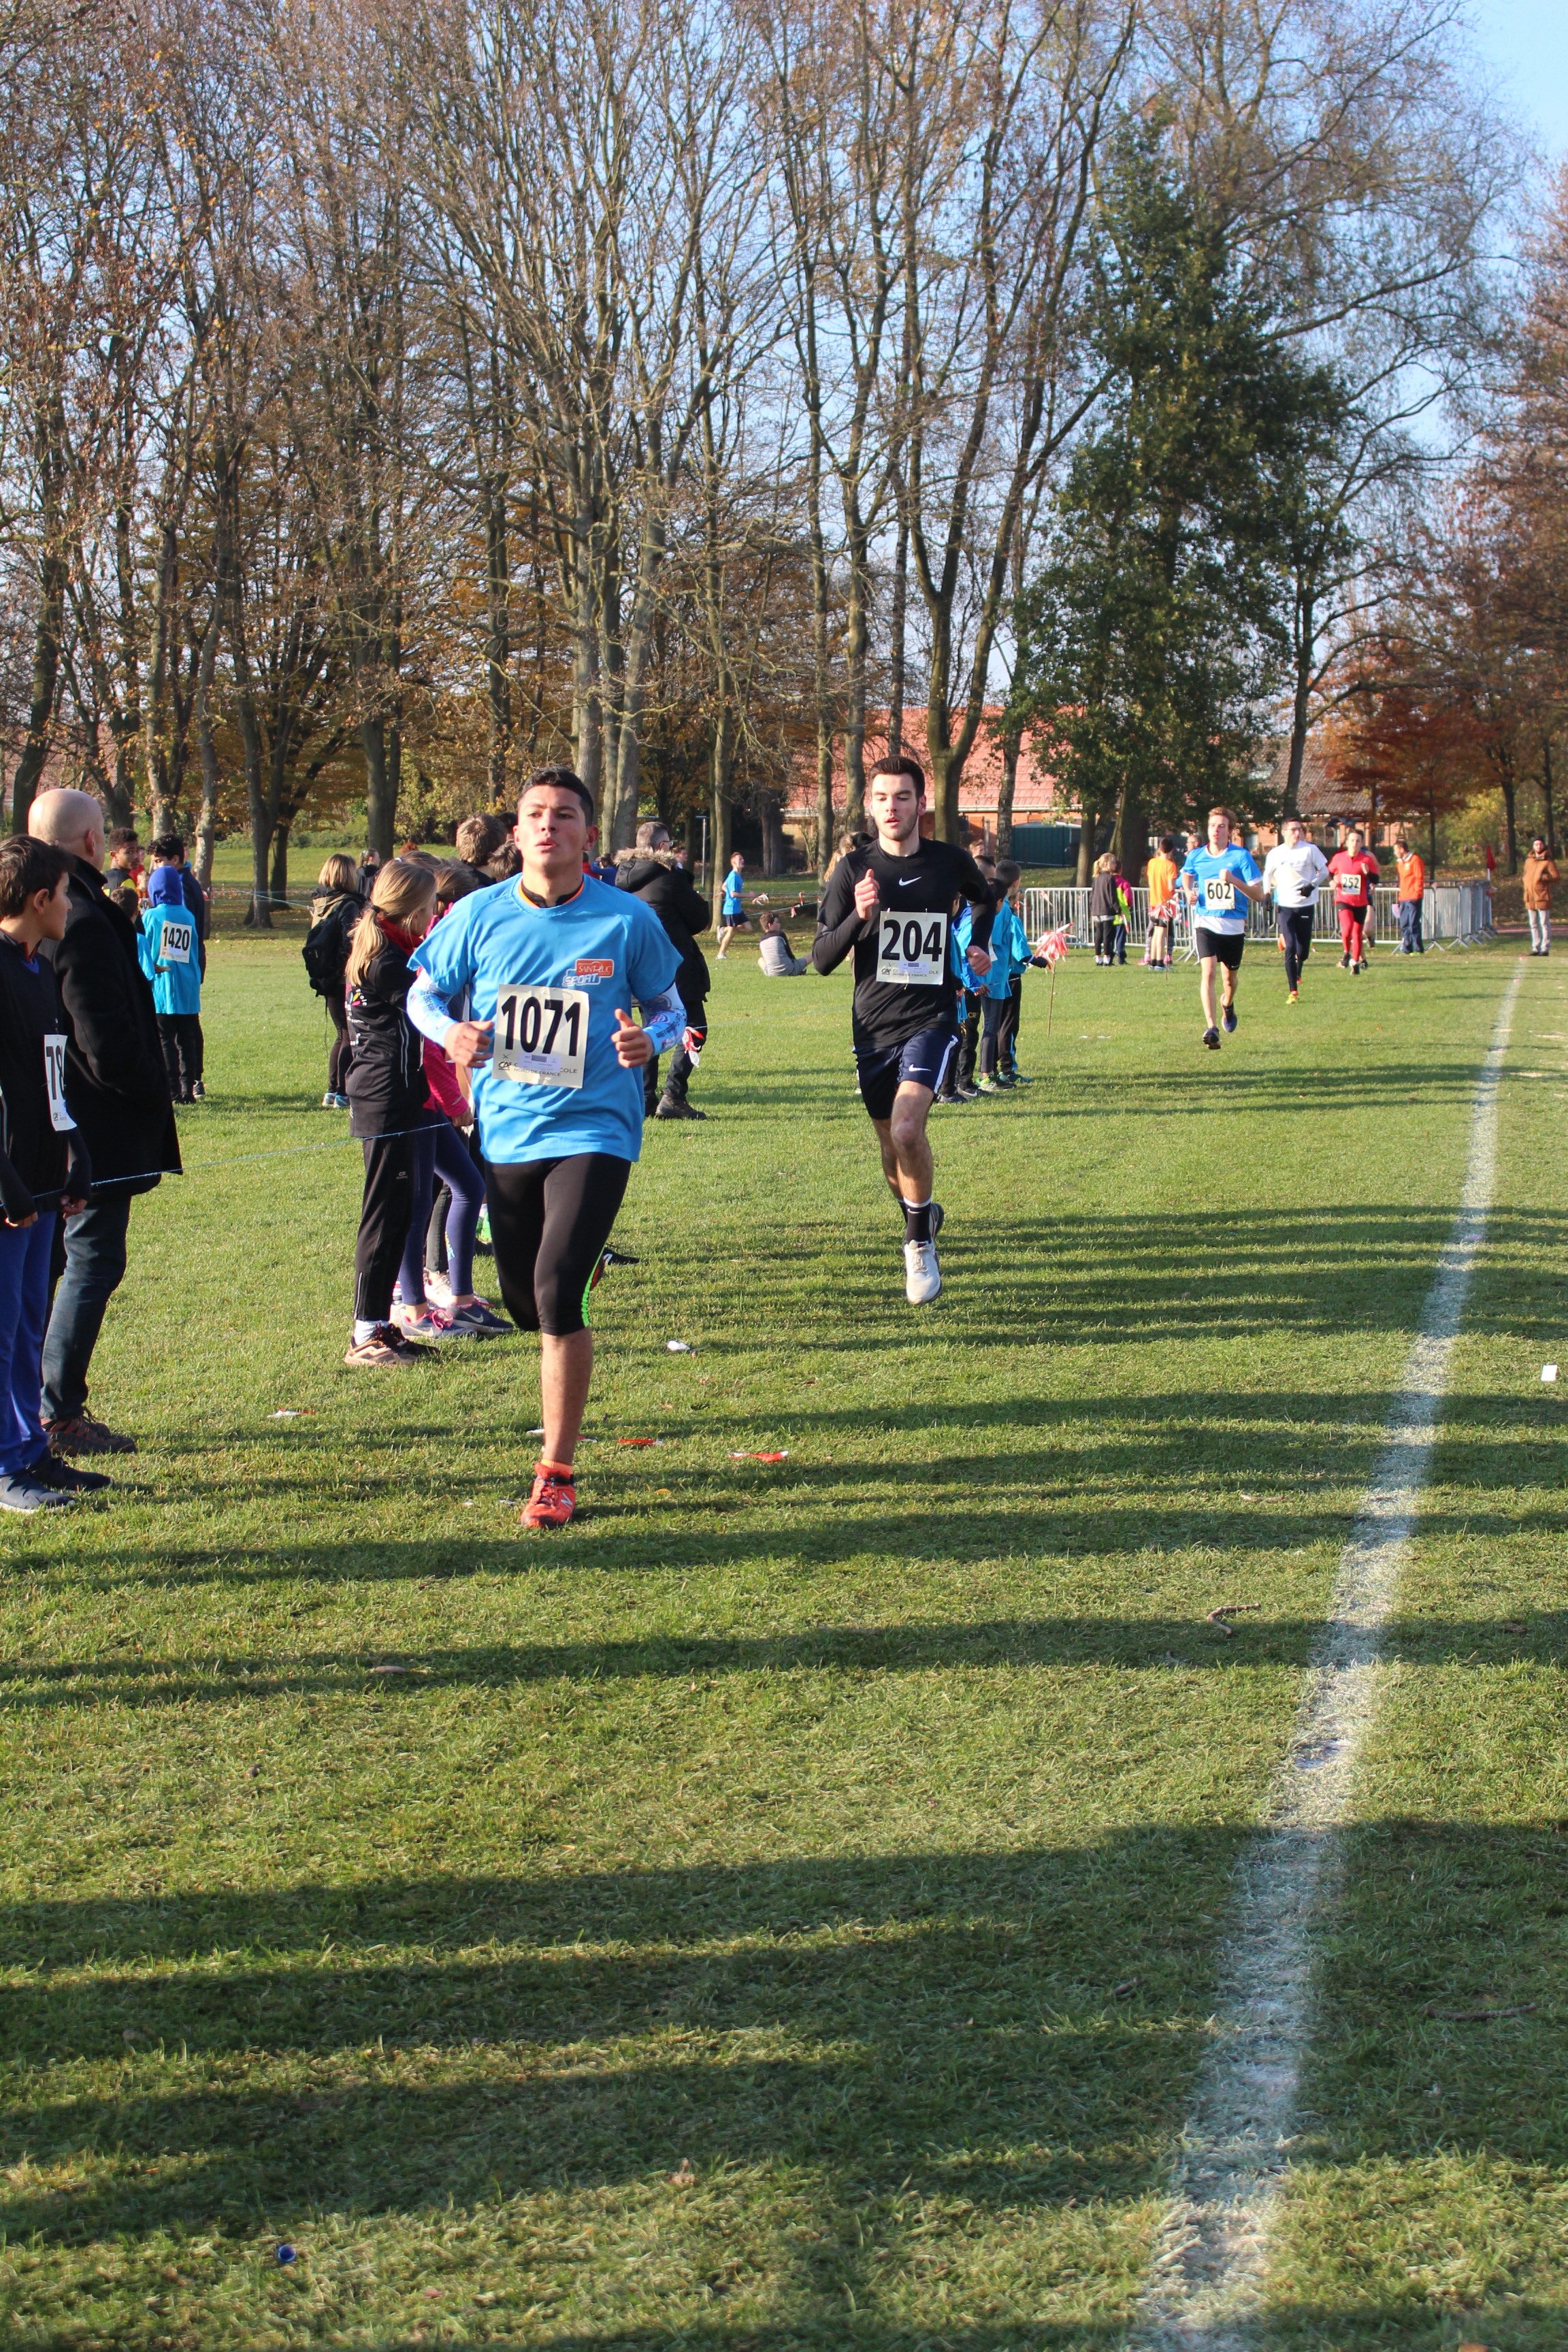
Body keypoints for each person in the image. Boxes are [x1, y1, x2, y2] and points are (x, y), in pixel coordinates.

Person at [406, 766, 685, 1529]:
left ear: (587, 835)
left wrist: (650, 1039)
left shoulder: (626, 919)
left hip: (597, 1127)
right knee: (528, 1306)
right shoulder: (477, 914)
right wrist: (451, 1032)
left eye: (564, 815)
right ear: (517, 831)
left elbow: (671, 1008)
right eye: (535, 814)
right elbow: (421, 993)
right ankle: (571, 1261)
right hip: (507, 1130)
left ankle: (555, 1474)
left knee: (559, 1293)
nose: (548, 825)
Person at [28, 786, 180, 1454]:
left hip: (57, 1120)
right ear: (93, 841)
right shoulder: (81, 917)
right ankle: (56, 1409)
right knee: (90, 1260)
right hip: (90, 1126)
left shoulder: (44, 909)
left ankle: (37, 1404)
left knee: (55, 1264)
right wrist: (153, 1089)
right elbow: (104, 1041)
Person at [811, 755, 994, 1302]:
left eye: (903, 797)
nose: (892, 807)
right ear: (870, 805)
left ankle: (918, 1244)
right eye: (882, 798)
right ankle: (922, 1212)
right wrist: (859, 917)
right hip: (872, 1027)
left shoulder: (949, 861)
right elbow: (821, 958)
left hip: (933, 1017)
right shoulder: (853, 871)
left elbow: (984, 898)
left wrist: (979, 944)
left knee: (908, 1129)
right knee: (891, 1146)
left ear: (921, 803)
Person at [0, 838, 102, 1511]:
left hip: (40, 1179)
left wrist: (75, 1152)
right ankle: (4, 1467)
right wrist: (5, 1181)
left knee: (28, 1324)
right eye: (64, 894)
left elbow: (51, 1076)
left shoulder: (39, 968)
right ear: (40, 899)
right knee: (1, 1327)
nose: (70, 905)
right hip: (8, 1188)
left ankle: (29, 1451)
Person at [342, 860, 444, 1367]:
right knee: (383, 1215)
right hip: (384, 1099)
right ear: (411, 909)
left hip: (397, 1096)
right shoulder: (386, 961)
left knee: (400, 1213)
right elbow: (432, 1005)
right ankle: (365, 1333)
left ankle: (380, 1324)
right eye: (430, 908)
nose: (434, 916)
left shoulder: (393, 949)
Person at [615, 819, 713, 1119]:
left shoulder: (621, 879)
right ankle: (674, 1095)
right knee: (695, 1027)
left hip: (638, 967)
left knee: (649, 1030)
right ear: (661, 847)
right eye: (670, 844)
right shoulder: (670, 877)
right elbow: (700, 918)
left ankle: (646, 1097)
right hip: (675, 966)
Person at [1179, 807, 1266, 1048]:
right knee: (1208, 973)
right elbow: (1186, 875)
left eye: (1222, 826)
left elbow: (1259, 895)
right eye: (1212, 826)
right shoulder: (1197, 855)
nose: (1216, 830)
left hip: (1233, 927)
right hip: (1205, 922)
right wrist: (1188, 892)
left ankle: (1227, 1004)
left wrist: (1234, 880)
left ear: (1230, 831)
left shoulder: (1241, 857)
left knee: (1230, 980)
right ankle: (1212, 1028)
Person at [137, 847, 206, 1102]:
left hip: (162, 988)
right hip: (187, 987)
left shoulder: (151, 916)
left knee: (166, 1039)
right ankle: (189, 1087)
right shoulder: (188, 916)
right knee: (187, 1039)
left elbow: (145, 948)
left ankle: (173, 1089)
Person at [303, 854, 363, 1106]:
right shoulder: (348, 905)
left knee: (341, 1033)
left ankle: (332, 1090)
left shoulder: (321, 903)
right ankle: (342, 1091)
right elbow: (348, 942)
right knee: (349, 1034)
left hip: (326, 976)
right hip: (342, 978)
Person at [1262, 817, 1328, 1001]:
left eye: (1299, 829)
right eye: (1293, 830)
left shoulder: (1310, 850)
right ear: (1284, 832)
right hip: (1285, 906)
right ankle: (1293, 990)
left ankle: (1299, 968)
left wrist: (1312, 885)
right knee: (1290, 946)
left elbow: (1325, 871)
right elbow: (1267, 874)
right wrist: (1267, 894)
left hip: (1305, 906)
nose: (1297, 833)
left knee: (1303, 951)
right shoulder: (1276, 853)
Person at [1328, 827, 1380, 972]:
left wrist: (1368, 873)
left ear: (1362, 843)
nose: (1354, 844)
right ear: (1347, 842)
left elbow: (1376, 879)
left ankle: (1356, 963)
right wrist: (1332, 881)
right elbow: (1329, 871)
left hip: (1361, 902)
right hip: (1343, 899)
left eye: (1358, 841)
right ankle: (1347, 953)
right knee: (1347, 927)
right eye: (1352, 840)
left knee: (1357, 933)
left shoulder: (1367, 860)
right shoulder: (1339, 858)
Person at [1144, 834, 1179, 968]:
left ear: (1160, 848)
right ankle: (1160, 962)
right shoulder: (1170, 866)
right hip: (1165, 904)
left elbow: (1150, 881)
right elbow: (1171, 886)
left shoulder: (1152, 863)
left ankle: (1153, 961)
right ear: (1172, 850)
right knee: (1162, 933)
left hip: (1154, 901)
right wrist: (1174, 892)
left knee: (1155, 932)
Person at [1523, 836, 1558, 955]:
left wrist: (1544, 877)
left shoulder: (1548, 861)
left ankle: (1545, 948)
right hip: (1530, 896)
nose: (1538, 846)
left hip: (1542, 896)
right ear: (1533, 846)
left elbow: (1556, 877)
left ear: (1543, 845)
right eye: (1536, 844)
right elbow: (1526, 874)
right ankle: (1535, 947)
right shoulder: (1529, 861)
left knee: (1544, 923)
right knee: (1533, 924)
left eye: (1540, 844)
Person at [1393, 834, 1427, 954]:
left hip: (1413, 897)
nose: (1395, 853)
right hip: (1404, 897)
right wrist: (1400, 897)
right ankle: (1407, 947)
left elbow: (1419, 878)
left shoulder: (1415, 860)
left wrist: (1417, 894)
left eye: (1396, 850)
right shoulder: (1400, 863)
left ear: (1402, 849)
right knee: (1404, 924)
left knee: (1413, 923)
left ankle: (1418, 948)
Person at [1090, 853, 1122, 965]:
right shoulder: (1110, 878)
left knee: (1099, 935)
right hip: (1107, 910)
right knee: (1107, 936)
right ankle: (1107, 959)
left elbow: (1092, 896)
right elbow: (1113, 896)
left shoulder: (1097, 878)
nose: (1115, 865)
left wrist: (1092, 908)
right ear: (1107, 864)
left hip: (1097, 910)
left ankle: (1098, 958)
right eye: (1113, 862)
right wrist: (1118, 909)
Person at [715, 851, 750, 958]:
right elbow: (733, 894)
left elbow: (724, 886)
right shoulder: (734, 876)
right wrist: (749, 895)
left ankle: (723, 930)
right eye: (740, 860)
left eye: (742, 859)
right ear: (734, 863)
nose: (743, 861)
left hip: (737, 909)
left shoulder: (737, 875)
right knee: (731, 932)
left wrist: (728, 892)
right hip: (731, 909)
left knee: (748, 928)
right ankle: (720, 954)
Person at [758, 911, 809, 975]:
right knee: (812, 955)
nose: (780, 924)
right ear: (770, 925)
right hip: (789, 970)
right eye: (777, 922)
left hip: (772, 973)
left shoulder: (761, 940)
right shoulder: (780, 935)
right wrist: (797, 965)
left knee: (760, 959)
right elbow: (790, 954)